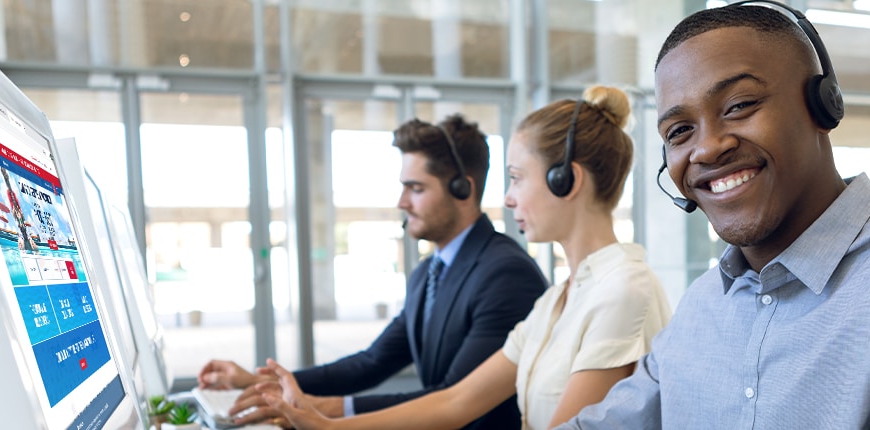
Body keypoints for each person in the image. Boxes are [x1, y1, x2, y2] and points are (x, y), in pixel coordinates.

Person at [557, 2, 870, 429]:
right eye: (680, 131)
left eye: (739, 105)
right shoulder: (703, 306)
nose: (706, 147)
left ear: (822, 106)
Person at [256, 85, 674, 430]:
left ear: (565, 180)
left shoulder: (623, 289)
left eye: (516, 178)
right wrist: (322, 423)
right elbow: (457, 401)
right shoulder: (558, 300)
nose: (508, 199)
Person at [198, 114, 548, 429]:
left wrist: (327, 411)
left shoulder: (506, 275)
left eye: (416, 188)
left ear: (463, 189)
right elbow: (373, 361)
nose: (402, 202)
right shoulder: (429, 272)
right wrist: (256, 382)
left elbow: (452, 398)